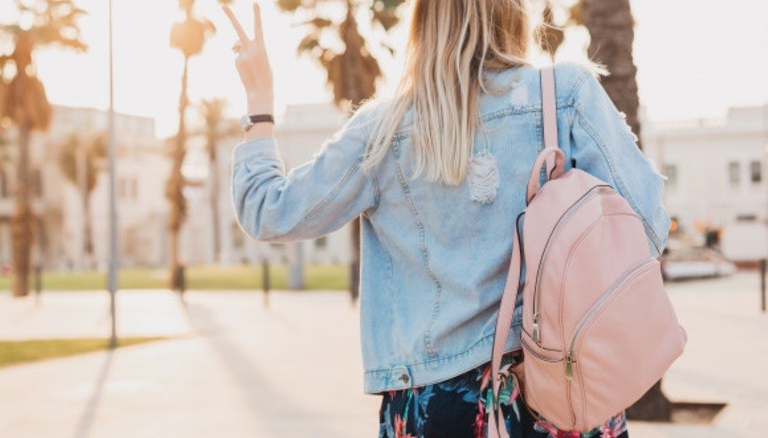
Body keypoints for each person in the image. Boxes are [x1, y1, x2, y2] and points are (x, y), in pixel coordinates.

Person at [222, 1, 669, 437]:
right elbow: (648, 229)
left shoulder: (383, 129)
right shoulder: (566, 96)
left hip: (434, 405)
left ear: (422, 21)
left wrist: (259, 103)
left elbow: (268, 211)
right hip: (562, 390)